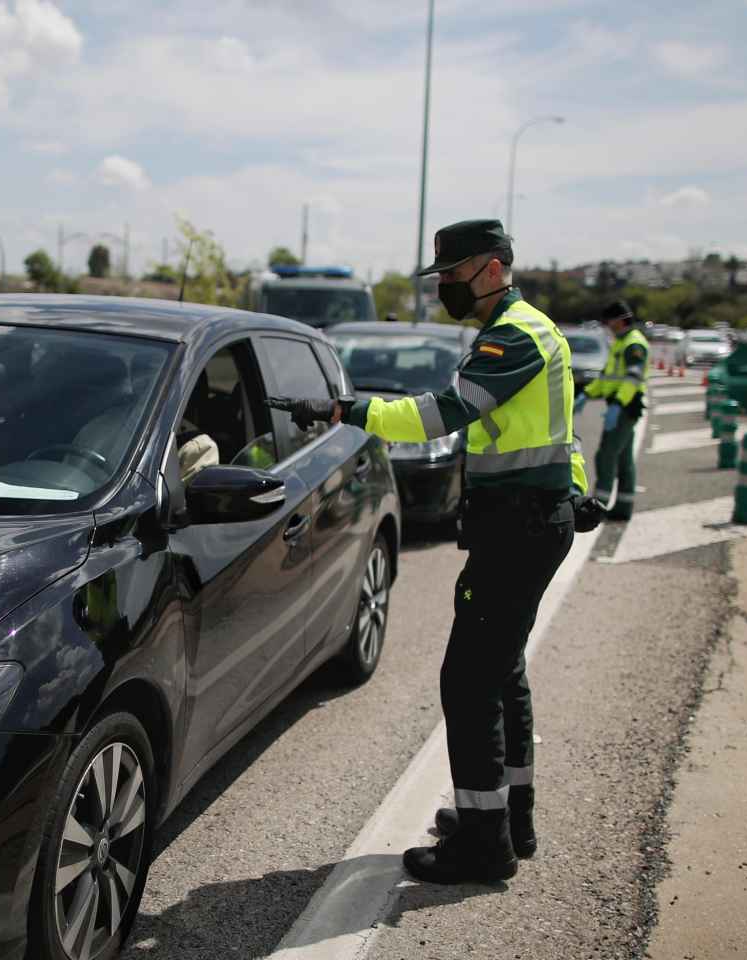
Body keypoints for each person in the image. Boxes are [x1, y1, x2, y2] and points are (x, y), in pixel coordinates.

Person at [272, 219, 604, 884]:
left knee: (469, 681)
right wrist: (573, 493)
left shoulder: (514, 335)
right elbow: (557, 433)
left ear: (490, 267)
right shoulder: (529, 326)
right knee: (502, 672)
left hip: (520, 531)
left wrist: (348, 412)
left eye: (452, 274)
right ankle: (511, 819)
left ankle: (485, 845)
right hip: (530, 523)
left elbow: (438, 416)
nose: (444, 286)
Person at [582, 300, 649, 521]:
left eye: (609, 322)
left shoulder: (633, 345)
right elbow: (606, 379)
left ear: (620, 321)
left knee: (606, 456)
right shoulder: (621, 343)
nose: (607, 326)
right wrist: (587, 394)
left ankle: (597, 509)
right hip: (620, 405)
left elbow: (632, 379)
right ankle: (622, 508)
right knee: (623, 459)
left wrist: (618, 405)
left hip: (625, 407)